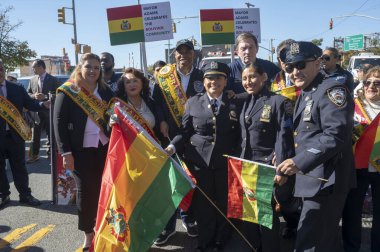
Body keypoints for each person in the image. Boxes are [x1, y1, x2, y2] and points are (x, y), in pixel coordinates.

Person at [276, 41, 356, 252]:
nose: (295, 72)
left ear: (318, 62)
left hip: (327, 180)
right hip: (313, 179)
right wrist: (288, 156)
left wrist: (298, 161)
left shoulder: (332, 90)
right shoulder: (309, 90)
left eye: (301, 65)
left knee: (309, 244)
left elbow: (336, 135)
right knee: (324, 242)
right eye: (290, 67)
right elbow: (304, 135)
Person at [166, 61, 242, 251]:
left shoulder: (236, 102)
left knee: (225, 204)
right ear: (203, 81)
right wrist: (171, 147)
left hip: (226, 162)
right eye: (209, 78)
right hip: (199, 163)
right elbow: (184, 131)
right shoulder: (192, 102)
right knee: (204, 207)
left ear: (226, 81)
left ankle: (221, 241)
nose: (213, 81)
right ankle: (205, 242)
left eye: (218, 77)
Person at [229, 63, 294, 252]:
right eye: (244, 79)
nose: (248, 82)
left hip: (265, 165)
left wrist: (281, 168)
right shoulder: (244, 100)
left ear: (264, 77)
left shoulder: (279, 101)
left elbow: (284, 136)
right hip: (245, 164)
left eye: (252, 77)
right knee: (248, 214)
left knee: (266, 215)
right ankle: (253, 247)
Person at [53, 53, 114, 250]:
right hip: (80, 150)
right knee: (86, 192)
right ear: (80, 67)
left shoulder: (105, 90)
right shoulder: (68, 91)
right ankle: (88, 233)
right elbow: (58, 124)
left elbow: (114, 113)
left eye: (97, 68)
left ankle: (104, 228)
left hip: (104, 148)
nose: (93, 71)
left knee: (104, 189)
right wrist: (66, 152)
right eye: (89, 67)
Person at [153, 39, 203, 244]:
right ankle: (168, 226)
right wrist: (162, 119)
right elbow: (155, 102)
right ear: (174, 55)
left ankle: (189, 219)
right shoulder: (164, 76)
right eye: (179, 52)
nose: (184, 55)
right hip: (169, 136)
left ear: (194, 54)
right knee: (170, 182)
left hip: (195, 137)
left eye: (188, 51)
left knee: (191, 180)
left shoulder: (202, 76)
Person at [0, 59, 50, 208]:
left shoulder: (16, 88)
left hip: (15, 135)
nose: (0, 72)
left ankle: (25, 195)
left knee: (20, 167)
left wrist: (43, 104)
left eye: (1, 69)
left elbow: (30, 104)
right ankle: (4, 195)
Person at [342, 66, 380, 252]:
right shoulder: (352, 105)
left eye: (377, 83)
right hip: (357, 167)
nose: (371, 86)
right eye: (367, 82)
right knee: (352, 214)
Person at [112, 67, 163, 139]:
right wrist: (111, 122)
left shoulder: (151, 102)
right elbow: (109, 130)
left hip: (152, 147)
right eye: (128, 82)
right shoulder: (117, 104)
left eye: (135, 81)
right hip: (130, 147)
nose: (132, 85)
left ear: (142, 83)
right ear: (124, 86)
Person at [27, 59, 59, 163]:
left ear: (41, 67)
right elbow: (27, 93)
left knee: (51, 134)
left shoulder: (53, 79)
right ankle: (34, 155)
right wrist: (34, 96)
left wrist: (45, 96)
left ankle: (51, 155)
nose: (32, 69)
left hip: (50, 111)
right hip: (37, 111)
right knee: (35, 135)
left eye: (34, 67)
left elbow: (59, 94)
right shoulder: (32, 80)